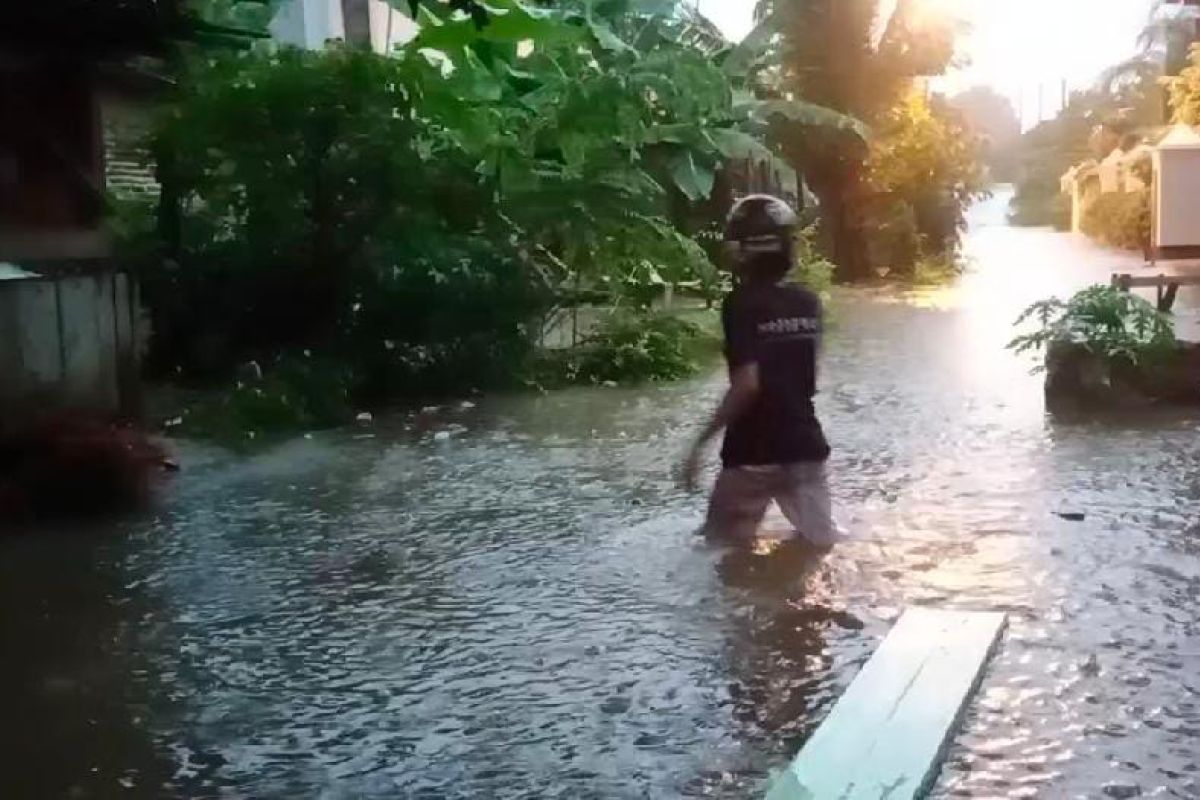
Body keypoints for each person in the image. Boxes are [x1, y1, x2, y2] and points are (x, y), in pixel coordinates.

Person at [680, 194, 838, 549]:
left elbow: (748, 384)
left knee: (719, 552)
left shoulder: (740, 303)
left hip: (752, 452)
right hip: (805, 447)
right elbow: (807, 377)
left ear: (740, 248)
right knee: (819, 548)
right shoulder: (808, 302)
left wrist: (699, 444)